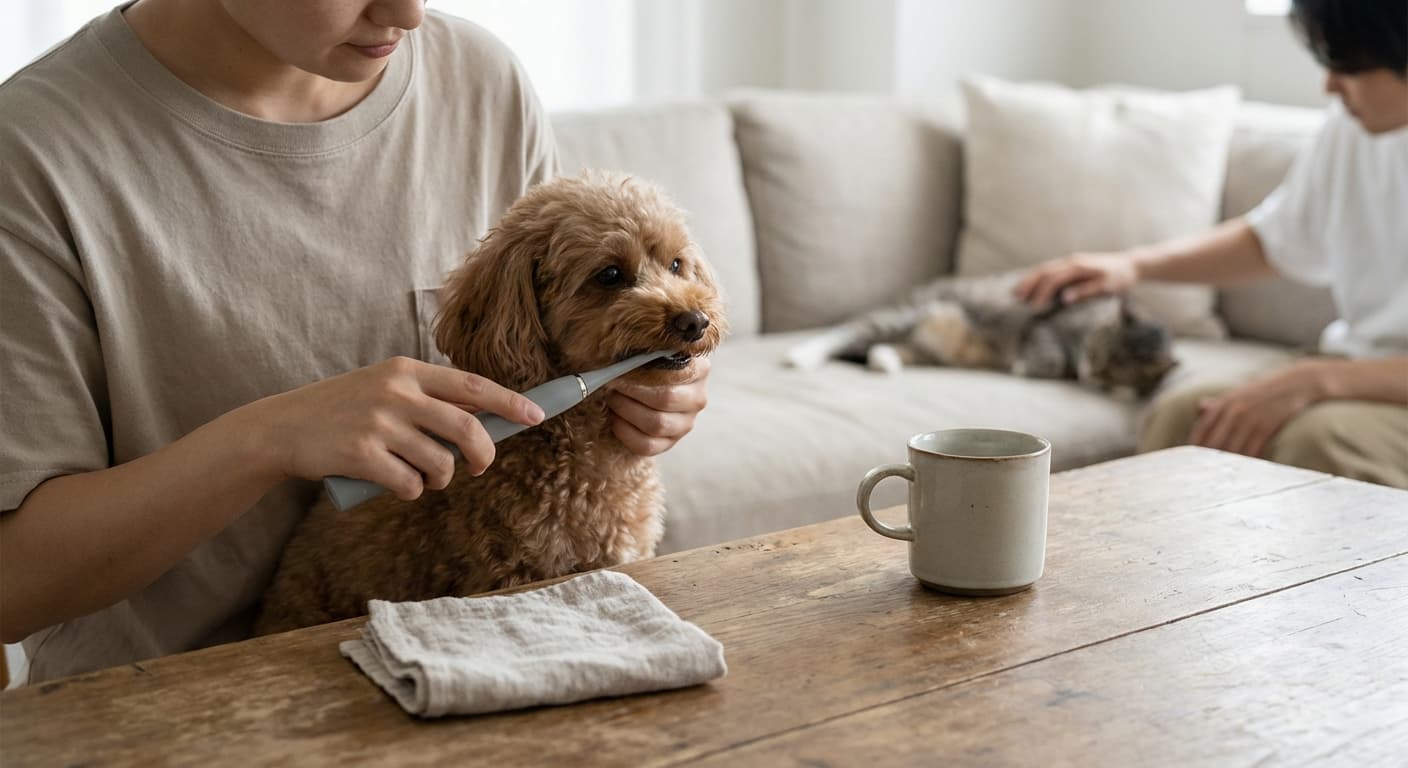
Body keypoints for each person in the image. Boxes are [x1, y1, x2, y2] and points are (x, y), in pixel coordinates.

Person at [0, 0, 711, 684]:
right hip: (173, 702)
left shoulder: (481, 80)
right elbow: (13, 585)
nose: (408, 14)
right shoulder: (32, 154)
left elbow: (563, 344)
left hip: (493, 666)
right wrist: (268, 439)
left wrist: (650, 394)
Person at [1016, 0, 1407, 489]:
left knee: (1319, 441)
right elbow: (1275, 239)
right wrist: (1133, 265)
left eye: (1350, 66)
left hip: (1376, 383)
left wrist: (1314, 381)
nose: (1329, 85)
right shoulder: (1350, 129)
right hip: (1355, 363)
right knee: (1187, 416)